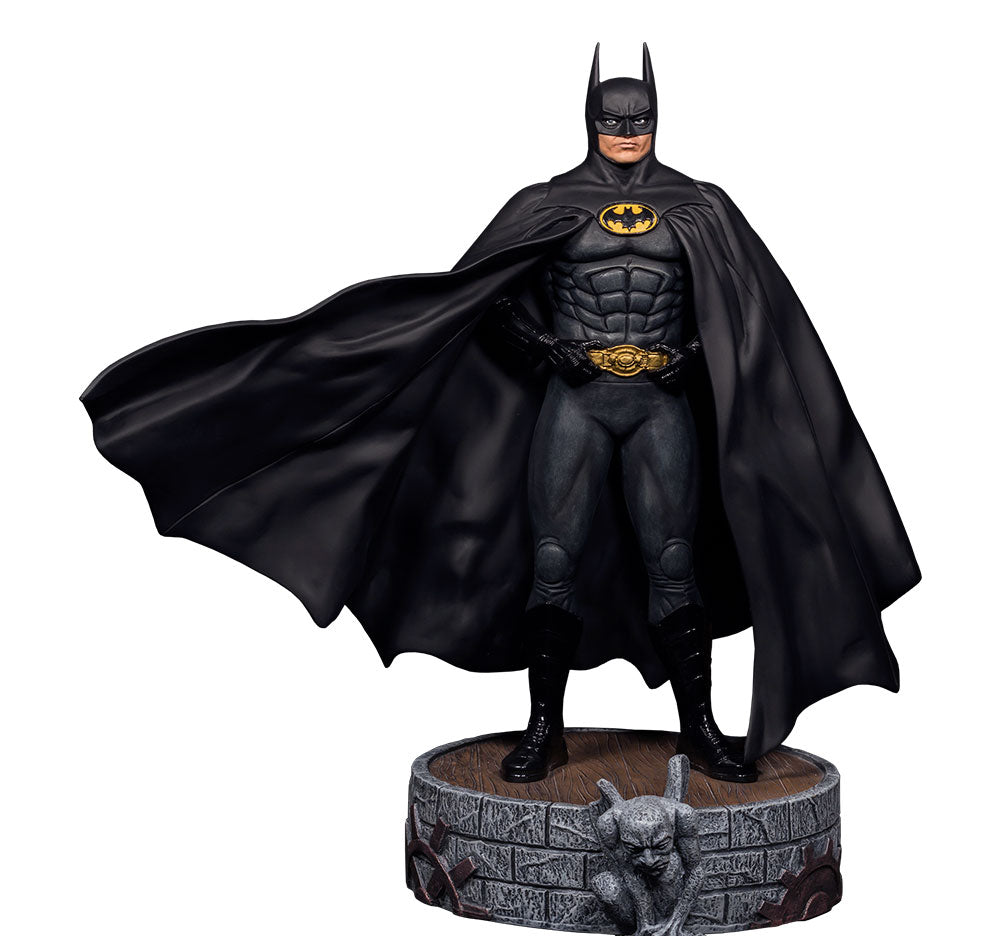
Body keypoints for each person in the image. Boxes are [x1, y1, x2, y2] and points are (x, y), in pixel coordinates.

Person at [81, 45, 919, 784]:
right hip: (575, 402)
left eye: (639, 118)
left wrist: (689, 355)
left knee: (673, 562)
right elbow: (486, 297)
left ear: (659, 117)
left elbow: (746, 319)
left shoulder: (702, 206)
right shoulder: (546, 202)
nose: (627, 131)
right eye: (613, 118)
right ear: (589, 119)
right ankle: (544, 730)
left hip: (660, 404)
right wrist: (548, 348)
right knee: (552, 561)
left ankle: (698, 729)